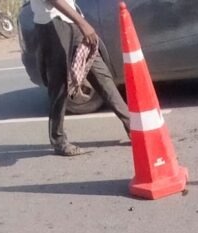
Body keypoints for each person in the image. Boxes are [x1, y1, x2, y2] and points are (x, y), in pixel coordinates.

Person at [33, 0, 130, 156]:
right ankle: (58, 140)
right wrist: (82, 23)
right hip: (53, 24)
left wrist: (80, 21)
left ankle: (131, 126)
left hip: (73, 21)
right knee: (60, 84)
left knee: (101, 76)